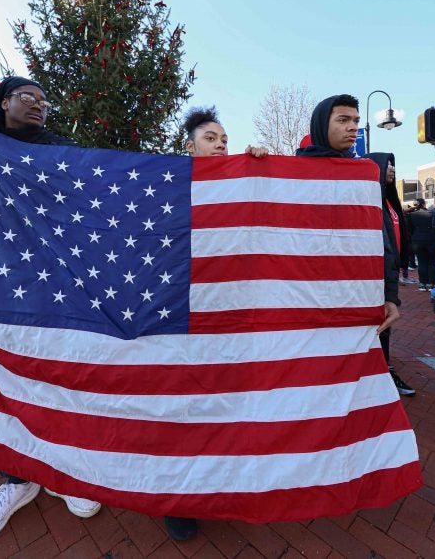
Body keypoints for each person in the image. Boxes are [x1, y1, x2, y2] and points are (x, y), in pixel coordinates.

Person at [0, 77, 101, 552]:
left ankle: (61, 473)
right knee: (4, 388)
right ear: (3, 102)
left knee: (54, 384)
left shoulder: (63, 154)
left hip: (53, 297)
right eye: (28, 97)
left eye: (45, 100)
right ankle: (15, 478)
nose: (39, 106)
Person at [169, 106, 267, 542]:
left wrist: (263, 168)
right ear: (189, 146)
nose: (222, 143)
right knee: (182, 410)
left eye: (225, 137)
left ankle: (222, 488)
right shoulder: (168, 183)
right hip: (182, 315)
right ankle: (179, 501)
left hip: (232, 315)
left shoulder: (242, 183)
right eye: (211, 138)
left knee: (225, 405)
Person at [295, 94, 405, 388]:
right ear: (322, 124)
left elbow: (382, 243)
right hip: (308, 302)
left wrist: (390, 296)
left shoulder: (365, 177)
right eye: (343, 120)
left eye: (356, 120)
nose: (352, 127)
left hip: (359, 297)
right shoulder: (291, 176)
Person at [364, 152, 416, 397]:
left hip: (391, 269)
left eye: (394, 165)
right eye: (387, 165)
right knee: (379, 324)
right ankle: (382, 372)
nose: (393, 169)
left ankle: (384, 369)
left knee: (387, 321)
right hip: (376, 272)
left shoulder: (389, 202)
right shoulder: (370, 200)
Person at [407, 198, 435, 292]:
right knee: (431, 262)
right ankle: (431, 283)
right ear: (424, 204)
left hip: (417, 240)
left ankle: (422, 283)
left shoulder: (411, 215)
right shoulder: (431, 214)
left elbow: (409, 229)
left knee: (421, 262)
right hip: (431, 240)